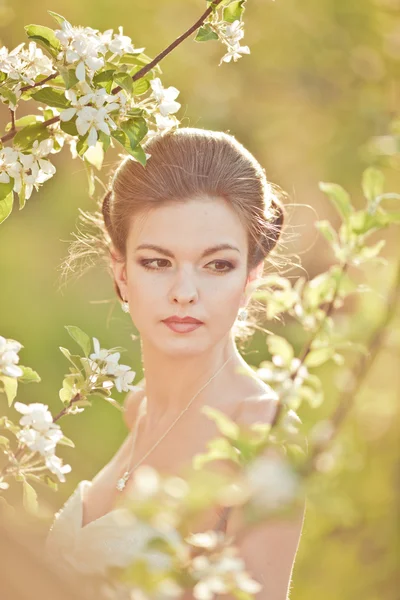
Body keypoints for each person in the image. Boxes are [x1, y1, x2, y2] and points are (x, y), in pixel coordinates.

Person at [46, 128, 306, 598]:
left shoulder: (261, 437)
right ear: (121, 273)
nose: (184, 292)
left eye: (217, 265)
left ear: (251, 278)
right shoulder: (137, 407)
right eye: (157, 262)